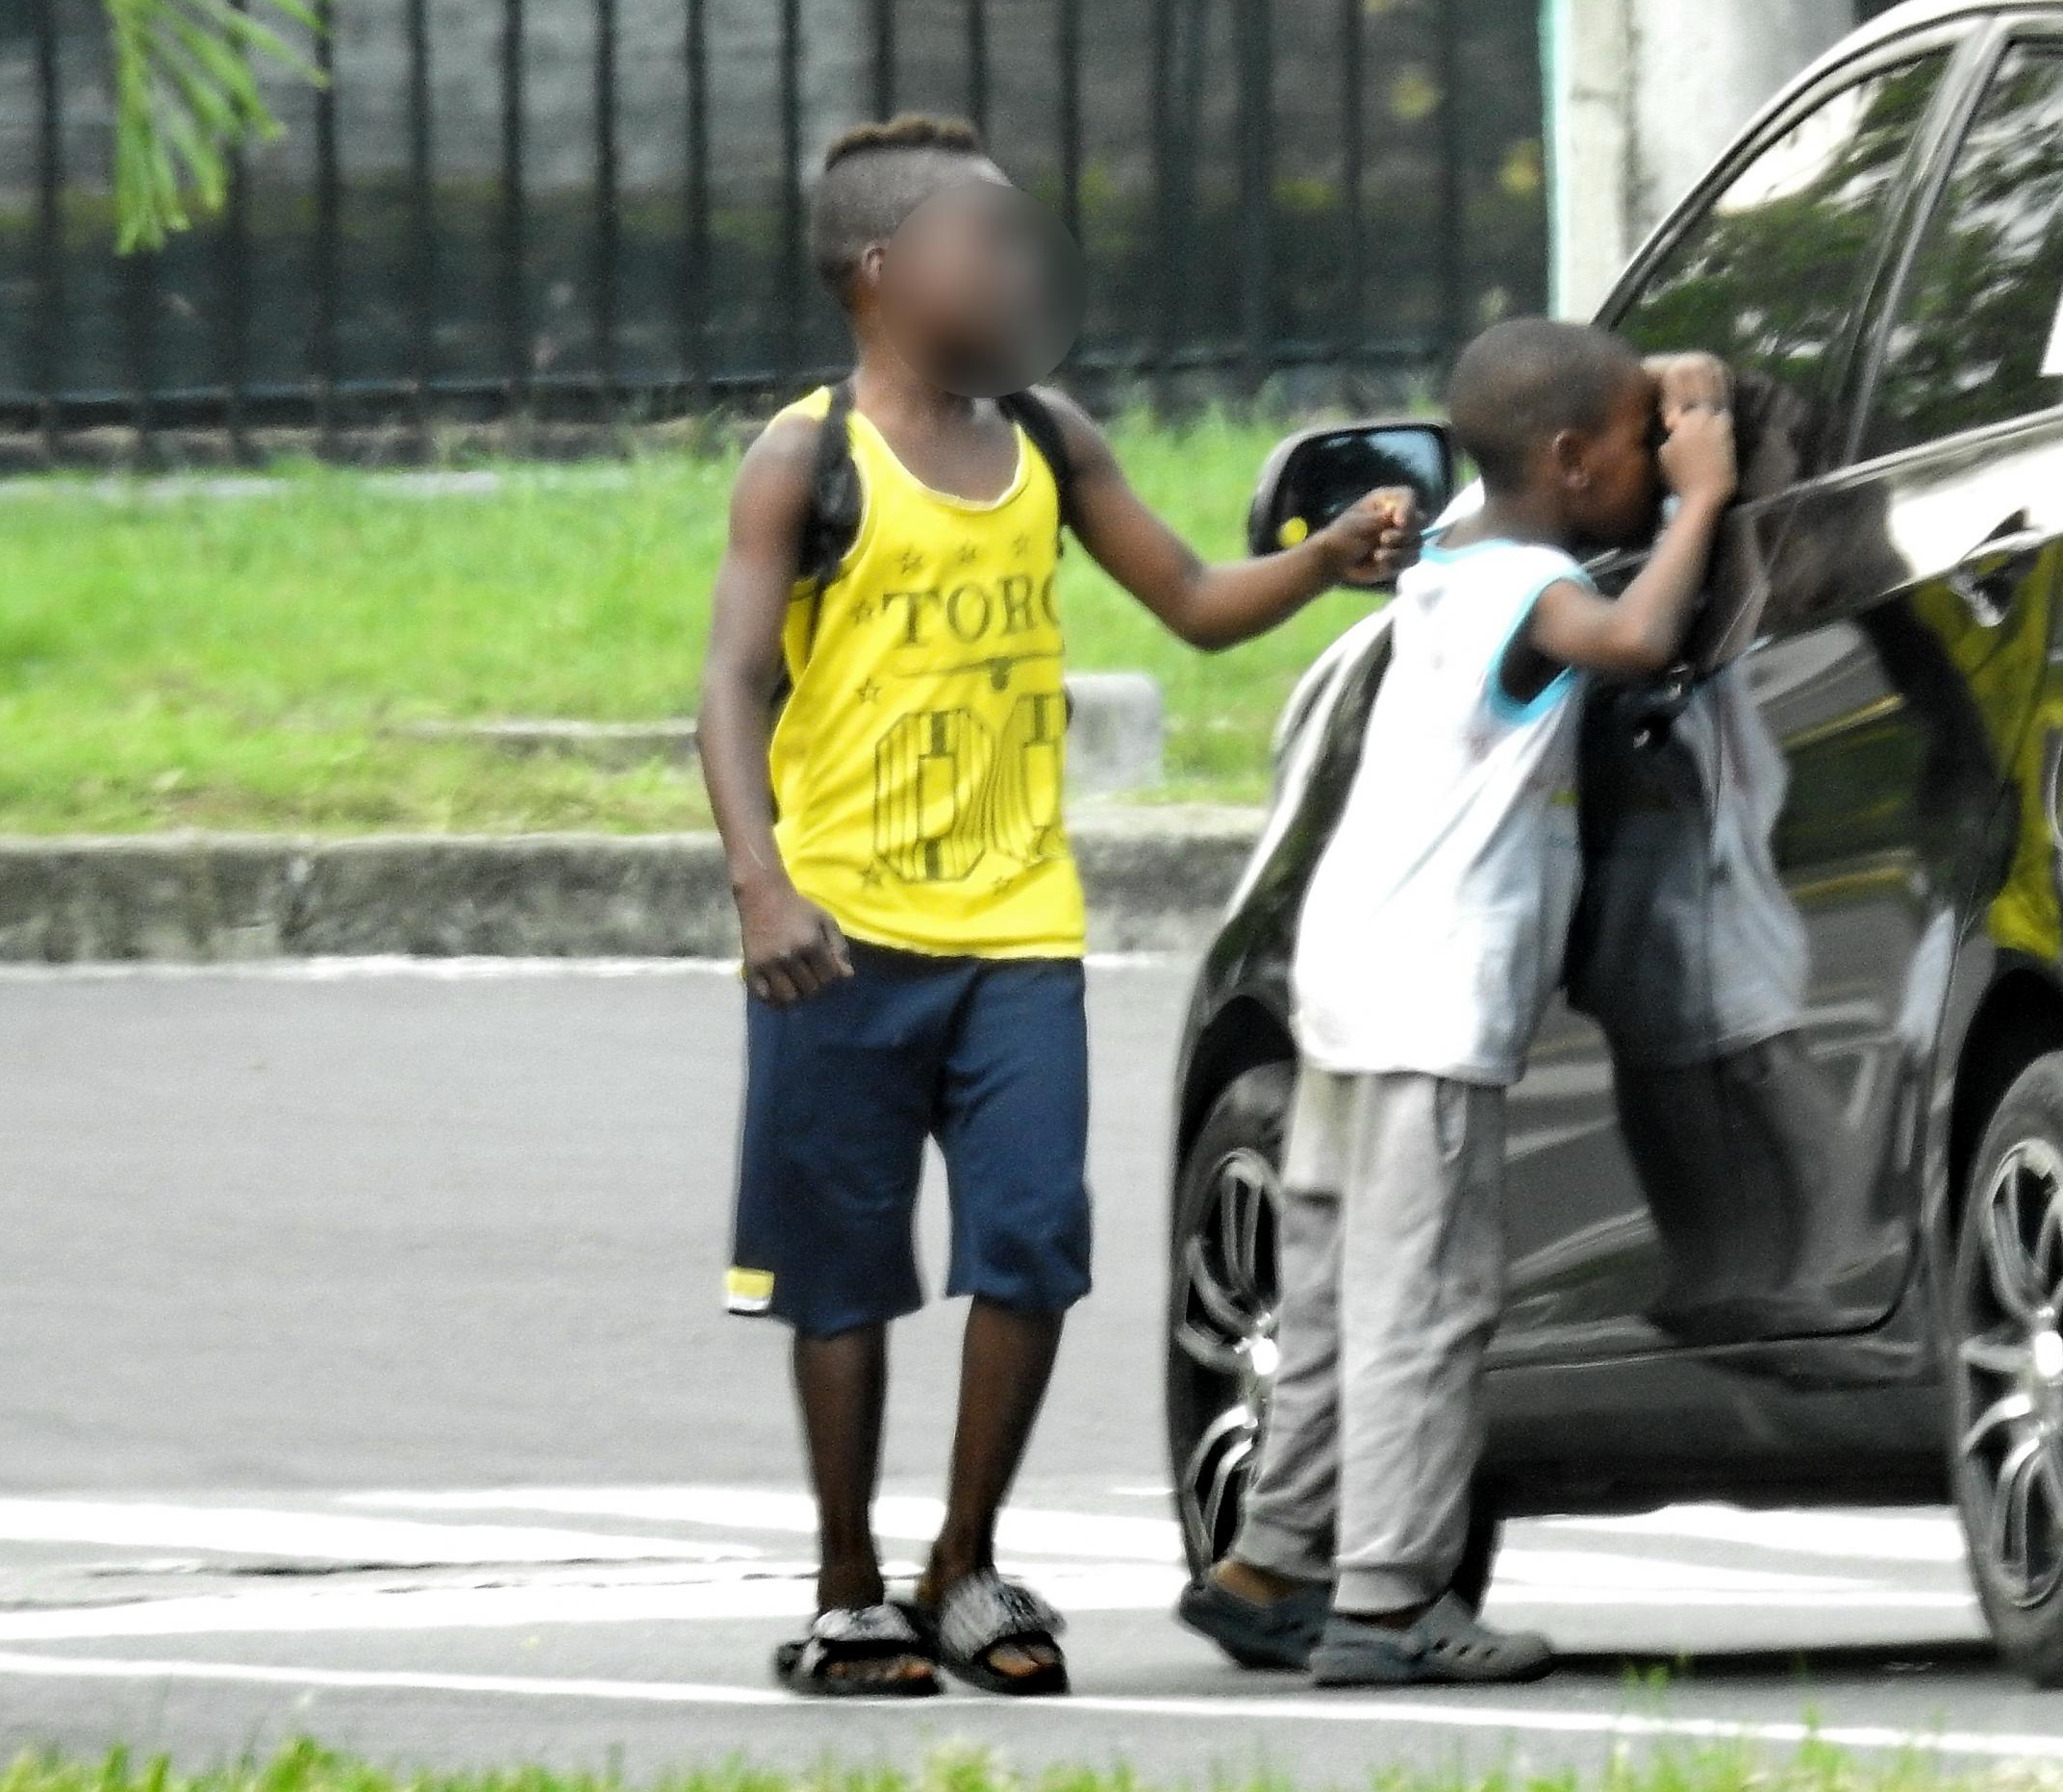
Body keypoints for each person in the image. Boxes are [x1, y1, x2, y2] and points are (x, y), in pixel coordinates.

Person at [697, 113, 1415, 1701]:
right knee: (844, 1273)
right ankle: (846, 1588)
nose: (1021, 270)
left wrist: (1324, 559)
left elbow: (1193, 602)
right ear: (881, 272)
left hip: (1019, 928)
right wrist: (763, 886)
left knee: (1028, 1245)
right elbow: (733, 683)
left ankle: (962, 1562)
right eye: (987, 243)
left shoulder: (1045, 436)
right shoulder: (807, 459)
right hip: (843, 932)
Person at [1175, 317, 1736, 1686]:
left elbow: (1540, 459)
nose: (1658, 463)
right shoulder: (1535, 588)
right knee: (1425, 1304)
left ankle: (1271, 1561)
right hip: (1431, 999)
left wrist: (1658, 397)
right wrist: (1708, 497)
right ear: (1570, 460)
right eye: (1639, 446)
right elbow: (1637, 635)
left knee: (1329, 1295)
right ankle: (1388, 1604)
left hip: (1348, 980)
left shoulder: (1447, 556)